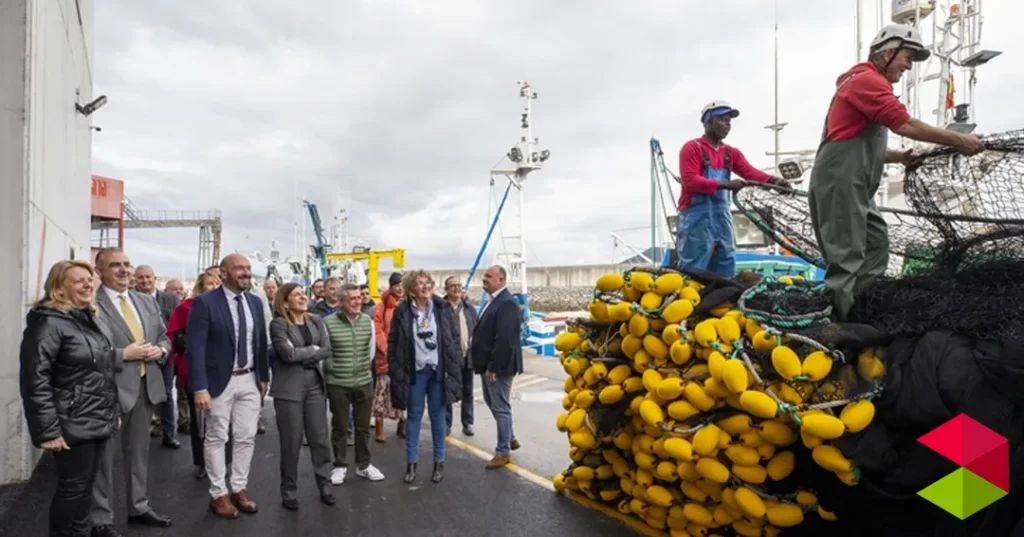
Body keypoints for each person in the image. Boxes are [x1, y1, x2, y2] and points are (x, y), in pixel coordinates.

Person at [808, 23, 985, 320]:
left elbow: (857, 142)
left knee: (876, 242)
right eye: (907, 58)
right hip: (841, 183)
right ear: (888, 53)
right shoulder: (866, 81)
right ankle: (834, 329)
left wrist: (898, 156)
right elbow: (906, 124)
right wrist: (960, 140)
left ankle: (860, 311)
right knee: (847, 256)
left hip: (856, 186)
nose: (908, 66)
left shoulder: (866, 84)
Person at [20, 260, 120, 537]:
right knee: (73, 487)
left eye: (90, 279)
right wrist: (48, 431)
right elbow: (34, 379)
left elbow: (103, 372)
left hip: (96, 418)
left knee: (85, 487)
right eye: (79, 281)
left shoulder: (88, 319)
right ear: (59, 288)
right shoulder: (48, 323)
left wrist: (112, 413)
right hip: (70, 422)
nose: (88, 284)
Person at [90, 249, 173, 535]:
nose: (125, 270)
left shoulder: (143, 301)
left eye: (127, 264)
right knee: (103, 459)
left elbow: (164, 336)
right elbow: (85, 350)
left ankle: (138, 507)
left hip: (145, 387)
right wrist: (122, 354)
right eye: (116, 265)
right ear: (99, 271)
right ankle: (101, 519)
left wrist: (160, 350)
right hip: (107, 391)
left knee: (139, 453)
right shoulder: (91, 303)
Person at [186, 254, 270, 519]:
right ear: (223, 273)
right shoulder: (204, 304)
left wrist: (264, 376)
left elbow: (260, 342)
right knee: (217, 437)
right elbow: (194, 348)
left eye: (248, 268)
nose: (245, 273)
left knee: (246, 436)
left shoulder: (255, 303)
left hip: (250, 378)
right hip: (218, 382)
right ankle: (218, 493)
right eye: (239, 269)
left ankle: (239, 488)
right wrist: (200, 387)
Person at [676, 101, 791, 277]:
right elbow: (690, 180)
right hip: (696, 220)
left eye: (729, 121)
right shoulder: (692, 148)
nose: (727, 124)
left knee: (725, 268)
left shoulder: (731, 153)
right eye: (722, 119)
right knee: (694, 271)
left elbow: (749, 172)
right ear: (707, 122)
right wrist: (725, 185)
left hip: (722, 219)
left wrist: (775, 181)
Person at [388, 271, 463, 484]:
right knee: (414, 416)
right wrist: (395, 369)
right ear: (411, 289)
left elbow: (453, 339)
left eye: (427, 283)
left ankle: (439, 462)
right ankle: (412, 464)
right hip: (415, 372)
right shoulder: (403, 312)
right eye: (420, 284)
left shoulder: (442, 308)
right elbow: (394, 343)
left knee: (438, 417)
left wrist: (454, 361)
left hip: (438, 371)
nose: (425, 287)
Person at [269, 283, 336, 509]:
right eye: (296, 294)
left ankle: (325, 485)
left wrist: (307, 354)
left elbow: (327, 349)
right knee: (291, 442)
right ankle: (288, 491)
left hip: (315, 385)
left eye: (303, 293)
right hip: (289, 390)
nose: (302, 297)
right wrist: (313, 351)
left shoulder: (315, 320)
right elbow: (286, 354)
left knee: (319, 439)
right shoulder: (278, 324)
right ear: (285, 301)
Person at [321, 283, 386, 485]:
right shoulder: (327, 323)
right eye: (353, 298)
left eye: (359, 297)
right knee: (340, 427)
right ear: (341, 302)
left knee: (363, 426)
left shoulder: (367, 321)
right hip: (338, 382)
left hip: (363, 381)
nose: (358, 301)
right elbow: (324, 353)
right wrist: (332, 372)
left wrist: (362, 371)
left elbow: (371, 353)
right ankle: (340, 466)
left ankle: (363, 465)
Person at [166, 271, 222, 480]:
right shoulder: (187, 307)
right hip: (194, 370)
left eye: (217, 283)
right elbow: (174, 336)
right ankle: (202, 462)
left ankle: (223, 460)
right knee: (200, 421)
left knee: (223, 419)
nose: (214, 286)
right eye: (210, 283)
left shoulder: (227, 307)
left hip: (222, 371)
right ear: (201, 285)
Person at [470, 265, 524, 469]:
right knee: (492, 402)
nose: (485, 279)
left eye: (489, 277)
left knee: (501, 406)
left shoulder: (506, 303)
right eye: (485, 276)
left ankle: (503, 452)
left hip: (499, 366)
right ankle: (509, 437)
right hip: (489, 364)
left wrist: (493, 367)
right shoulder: (494, 301)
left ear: (501, 280)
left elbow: (505, 340)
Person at [371, 272, 406, 442]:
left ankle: (403, 425)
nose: (400, 288)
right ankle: (379, 428)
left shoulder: (410, 304)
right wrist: (387, 350)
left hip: (405, 358)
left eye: (402, 285)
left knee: (405, 392)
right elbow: (378, 330)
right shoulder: (382, 306)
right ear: (391, 287)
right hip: (386, 357)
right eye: (396, 285)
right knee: (382, 393)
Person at [442, 276, 478, 437]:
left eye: (459, 286)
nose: (457, 289)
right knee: (448, 392)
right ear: (446, 289)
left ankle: (468, 422)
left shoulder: (469, 309)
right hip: (449, 358)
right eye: (453, 286)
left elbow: (476, 330)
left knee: (468, 391)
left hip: (467, 356)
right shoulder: (441, 309)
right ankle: (446, 424)